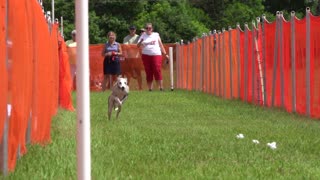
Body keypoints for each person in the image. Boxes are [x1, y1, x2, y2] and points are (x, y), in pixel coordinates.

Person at [137, 23, 169, 91]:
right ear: (145, 29)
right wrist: (141, 41)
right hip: (146, 55)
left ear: (152, 29)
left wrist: (165, 54)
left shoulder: (156, 35)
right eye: (147, 28)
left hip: (156, 54)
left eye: (150, 28)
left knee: (157, 69)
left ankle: (160, 87)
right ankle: (150, 88)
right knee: (148, 71)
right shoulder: (143, 35)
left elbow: (161, 45)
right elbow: (138, 45)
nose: (148, 29)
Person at [122, 25, 143, 90]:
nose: (132, 30)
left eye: (133, 29)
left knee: (138, 73)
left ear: (135, 30)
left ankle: (140, 87)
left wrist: (131, 46)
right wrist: (134, 46)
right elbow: (125, 47)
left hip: (137, 58)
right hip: (128, 59)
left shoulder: (138, 37)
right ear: (129, 30)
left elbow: (140, 45)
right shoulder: (126, 38)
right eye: (131, 29)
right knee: (128, 74)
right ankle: (127, 87)